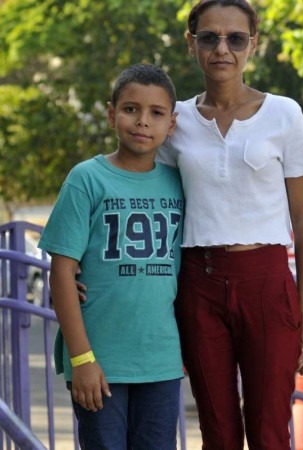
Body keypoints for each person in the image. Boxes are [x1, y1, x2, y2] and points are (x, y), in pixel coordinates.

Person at [155, 1, 303, 448]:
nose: (222, 48)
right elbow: (156, 205)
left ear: (254, 43)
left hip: (266, 282)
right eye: (209, 37)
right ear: (191, 44)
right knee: (217, 430)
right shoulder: (176, 121)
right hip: (198, 283)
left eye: (235, 38)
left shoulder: (284, 113)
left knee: (270, 429)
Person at [38, 63, 184, 449]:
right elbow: (61, 273)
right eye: (131, 109)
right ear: (111, 113)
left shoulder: (178, 183)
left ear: (172, 124)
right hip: (99, 360)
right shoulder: (87, 178)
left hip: (161, 360)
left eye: (156, 113)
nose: (142, 122)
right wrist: (82, 359)